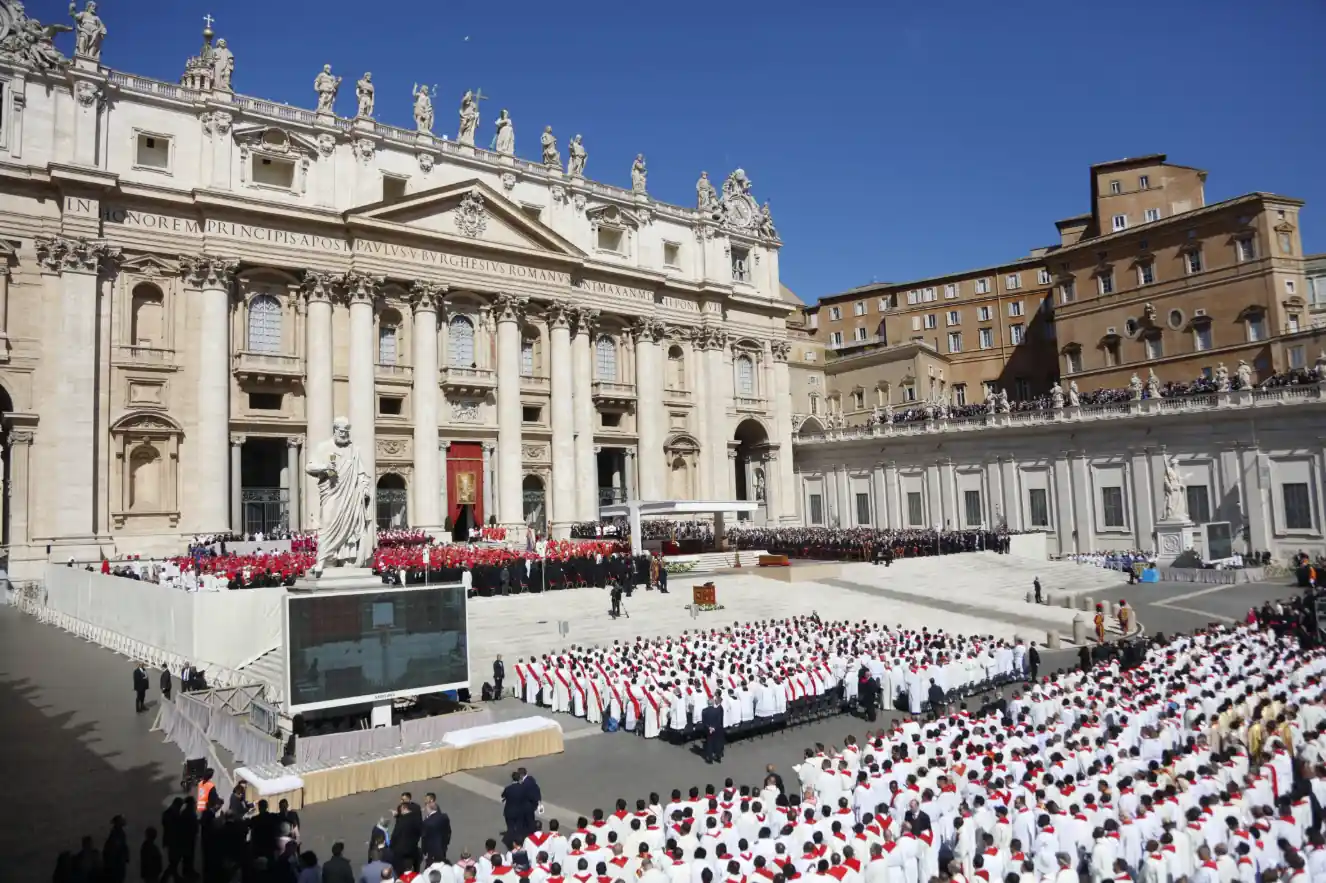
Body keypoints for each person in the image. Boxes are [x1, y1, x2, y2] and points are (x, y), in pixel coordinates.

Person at [422, 793, 451, 866]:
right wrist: (446, 843)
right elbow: (448, 832)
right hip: (442, 847)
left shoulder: (426, 822)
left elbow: (424, 838)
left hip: (431, 851)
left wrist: (424, 851)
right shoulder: (444, 817)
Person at [701, 697, 725, 764]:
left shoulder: (704, 711)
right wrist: (714, 727)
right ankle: (718, 756)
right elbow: (718, 721)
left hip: (709, 729)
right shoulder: (716, 710)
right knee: (717, 743)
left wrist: (709, 728)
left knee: (709, 743)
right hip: (716, 729)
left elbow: (704, 721)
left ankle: (710, 758)